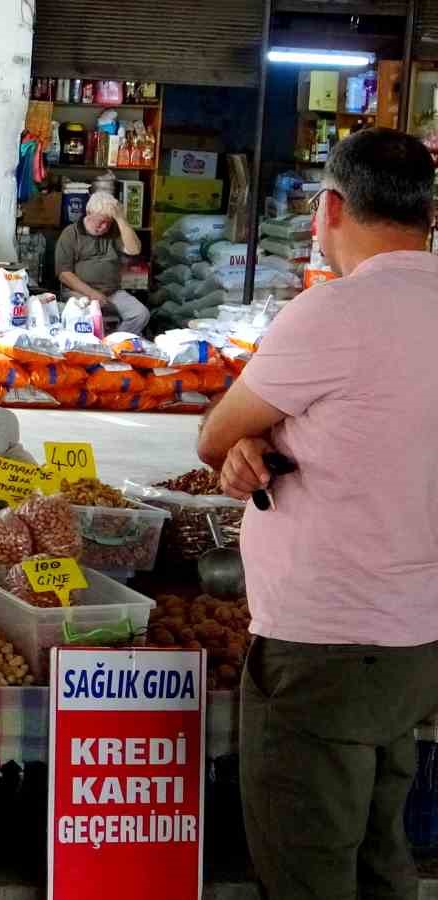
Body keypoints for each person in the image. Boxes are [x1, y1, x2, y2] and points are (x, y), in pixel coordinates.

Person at [196, 128, 438, 900]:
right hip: (414, 639)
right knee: (380, 856)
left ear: (330, 209)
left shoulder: (335, 313)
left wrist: (248, 435)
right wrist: (265, 439)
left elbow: (213, 434)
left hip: (323, 645)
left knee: (308, 868)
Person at [54, 192, 151, 334]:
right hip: (79, 292)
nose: (105, 227)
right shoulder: (70, 234)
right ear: (88, 213)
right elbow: (64, 274)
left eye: (109, 222)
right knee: (86, 315)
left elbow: (134, 250)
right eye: (101, 222)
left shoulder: (114, 231)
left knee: (141, 314)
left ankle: (112, 345)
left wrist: (120, 219)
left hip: (112, 292)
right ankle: (92, 347)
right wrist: (91, 293)